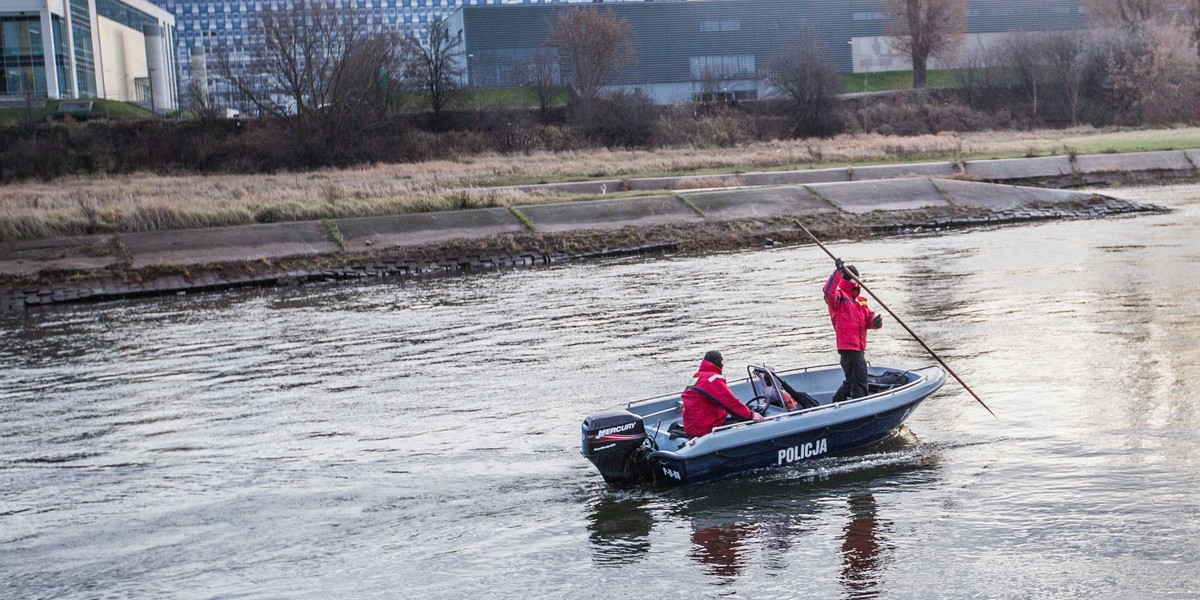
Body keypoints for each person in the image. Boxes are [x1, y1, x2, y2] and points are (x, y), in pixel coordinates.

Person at [824, 258, 883, 402]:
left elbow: (868, 318)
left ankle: (836, 402)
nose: (858, 281)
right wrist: (837, 272)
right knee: (860, 382)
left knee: (852, 381)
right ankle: (860, 407)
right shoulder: (838, 297)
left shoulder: (860, 299)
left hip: (859, 346)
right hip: (849, 348)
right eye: (856, 278)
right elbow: (828, 292)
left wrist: (875, 322)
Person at [681, 350, 763, 437]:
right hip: (705, 429)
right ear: (717, 362)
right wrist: (751, 415)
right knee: (748, 426)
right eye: (721, 361)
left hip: (692, 427)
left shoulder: (697, 376)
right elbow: (730, 402)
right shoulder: (712, 379)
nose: (723, 365)